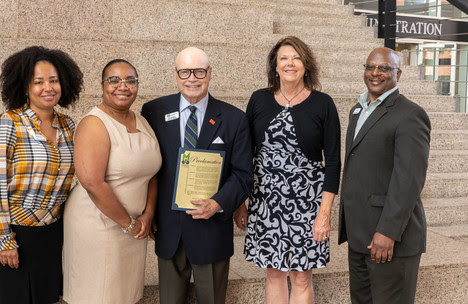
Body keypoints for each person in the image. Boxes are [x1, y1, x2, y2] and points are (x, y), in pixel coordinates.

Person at [141, 47, 254, 304]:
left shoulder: (234, 119)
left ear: (210, 73)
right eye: (185, 71)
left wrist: (218, 203)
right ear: (176, 74)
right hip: (169, 229)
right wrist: (148, 212)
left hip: (212, 231)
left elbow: (243, 175)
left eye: (199, 71)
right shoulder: (154, 111)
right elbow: (148, 168)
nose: (192, 78)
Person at [233, 36, 341, 303]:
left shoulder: (323, 103)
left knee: (302, 276)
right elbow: (245, 154)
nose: (290, 63)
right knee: (274, 272)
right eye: (284, 58)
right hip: (266, 201)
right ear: (275, 65)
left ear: (306, 65)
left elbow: (335, 161)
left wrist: (324, 214)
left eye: (296, 58)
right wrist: (240, 202)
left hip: (308, 204)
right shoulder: (259, 99)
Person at [0, 46, 83, 304]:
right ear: (25, 86)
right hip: (14, 232)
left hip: (51, 232)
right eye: (38, 82)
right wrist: (4, 240)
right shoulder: (7, 122)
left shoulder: (68, 125)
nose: (48, 87)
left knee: (45, 297)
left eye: (54, 80)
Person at [62, 59, 161, 304]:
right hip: (97, 225)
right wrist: (128, 223)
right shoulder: (94, 124)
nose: (122, 86)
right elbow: (92, 183)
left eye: (130, 81)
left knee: (124, 294)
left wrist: (147, 215)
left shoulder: (142, 121)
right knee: (98, 294)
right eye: (114, 80)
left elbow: (152, 174)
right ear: (102, 85)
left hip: (135, 228)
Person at [338, 47, 431, 304]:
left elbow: (409, 180)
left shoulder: (410, 115)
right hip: (360, 237)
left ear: (398, 73)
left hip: (390, 239)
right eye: (370, 67)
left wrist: (387, 232)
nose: (375, 73)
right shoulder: (357, 110)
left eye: (384, 68)